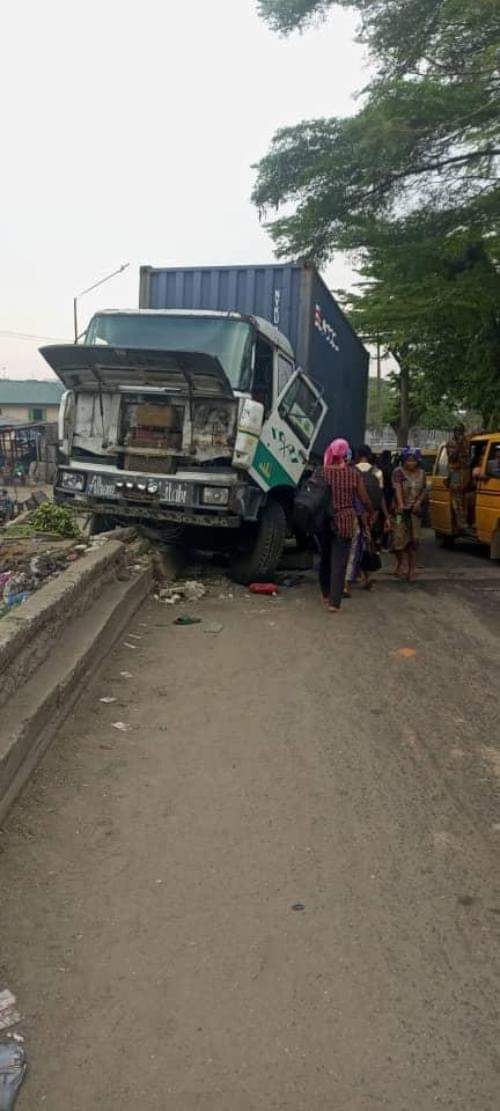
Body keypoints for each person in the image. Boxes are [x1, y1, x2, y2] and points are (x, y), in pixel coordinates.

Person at [316, 438, 371, 612]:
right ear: (346, 454)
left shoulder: (321, 472)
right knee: (339, 561)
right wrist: (371, 509)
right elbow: (364, 498)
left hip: (324, 520)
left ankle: (325, 593)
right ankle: (334, 602)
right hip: (345, 521)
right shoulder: (353, 474)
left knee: (325, 558)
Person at [392, 447, 426, 582]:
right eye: (408, 460)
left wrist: (418, 502)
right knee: (398, 539)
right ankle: (401, 563)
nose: (410, 463)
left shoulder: (422, 473)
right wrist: (400, 504)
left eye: (413, 461)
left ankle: (411, 569)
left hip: (415, 512)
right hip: (400, 512)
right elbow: (397, 488)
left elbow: (424, 490)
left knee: (414, 541)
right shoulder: (398, 472)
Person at [445, 424, 471, 532]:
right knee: (457, 496)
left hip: (465, 470)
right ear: (454, 432)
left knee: (467, 495)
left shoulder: (466, 440)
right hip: (455, 471)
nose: (460, 433)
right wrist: (459, 444)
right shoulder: (450, 443)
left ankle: (467, 521)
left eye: (461, 431)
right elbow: (452, 457)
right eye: (458, 431)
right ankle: (461, 523)